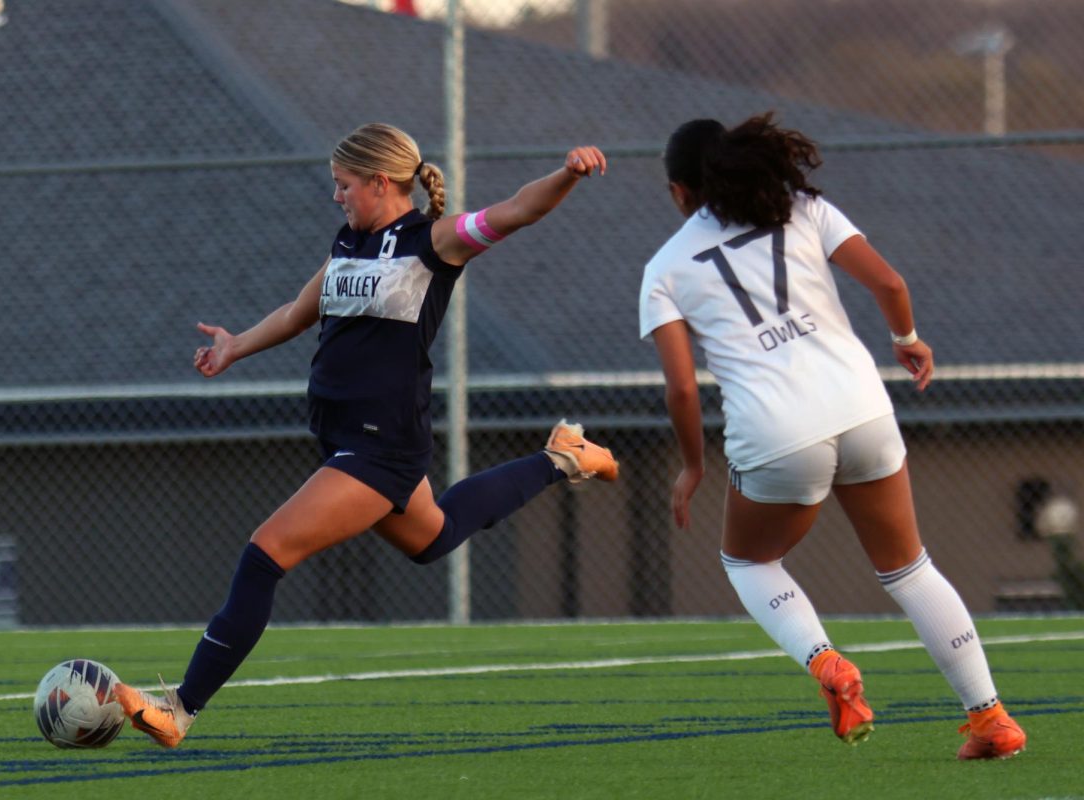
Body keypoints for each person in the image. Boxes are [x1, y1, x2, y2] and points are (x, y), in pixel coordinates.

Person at [112, 123, 619, 748]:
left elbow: (517, 210)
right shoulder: (349, 241)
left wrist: (568, 173)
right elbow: (302, 310)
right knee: (434, 536)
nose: (336, 197)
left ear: (381, 182)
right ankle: (562, 458)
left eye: (344, 184)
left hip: (380, 446)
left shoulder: (433, 242)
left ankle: (181, 709)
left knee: (265, 553)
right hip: (345, 439)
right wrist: (234, 347)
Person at [638, 113, 1026, 760]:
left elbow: (681, 389)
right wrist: (908, 340)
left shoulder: (664, 268)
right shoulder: (802, 207)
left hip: (776, 432)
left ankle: (827, 664)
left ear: (680, 192)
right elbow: (890, 283)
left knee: (749, 561)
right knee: (909, 568)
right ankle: (990, 718)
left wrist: (691, 467)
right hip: (862, 408)